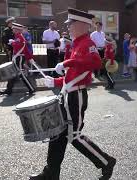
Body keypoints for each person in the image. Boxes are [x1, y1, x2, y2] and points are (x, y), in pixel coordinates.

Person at [30, 8, 116, 180]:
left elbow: (96, 62)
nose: (68, 27)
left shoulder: (88, 43)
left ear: (83, 25)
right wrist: (54, 82)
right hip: (68, 94)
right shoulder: (76, 44)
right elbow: (71, 77)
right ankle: (51, 173)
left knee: (74, 135)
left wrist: (67, 61)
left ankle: (106, 161)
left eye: (71, 24)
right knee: (57, 134)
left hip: (76, 97)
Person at [0, 23, 36, 95]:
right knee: (13, 73)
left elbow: (22, 46)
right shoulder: (17, 36)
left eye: (14, 29)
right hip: (18, 57)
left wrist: (12, 43)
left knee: (20, 73)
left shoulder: (19, 37)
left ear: (17, 30)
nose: (12, 30)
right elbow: (23, 47)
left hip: (19, 57)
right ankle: (9, 89)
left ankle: (31, 88)